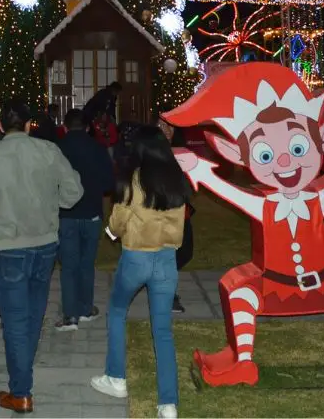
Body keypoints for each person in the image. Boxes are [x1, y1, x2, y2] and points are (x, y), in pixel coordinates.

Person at [0, 99, 83, 414]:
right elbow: (74, 194)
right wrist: (47, 202)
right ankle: (22, 383)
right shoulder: (48, 151)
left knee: (16, 320)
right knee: (32, 317)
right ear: (29, 124)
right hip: (45, 244)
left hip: (9, 246)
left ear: (0, 126)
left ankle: (21, 391)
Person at [90, 126, 189, 419]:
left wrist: (110, 231)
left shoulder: (133, 180)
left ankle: (116, 378)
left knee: (118, 310)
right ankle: (168, 404)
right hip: (167, 258)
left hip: (136, 257)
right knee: (162, 330)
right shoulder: (176, 179)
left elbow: (119, 219)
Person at [56, 108, 115, 331]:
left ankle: (70, 316)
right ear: (88, 127)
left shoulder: (57, 150)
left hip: (66, 214)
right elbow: (110, 183)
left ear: (64, 126)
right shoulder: (98, 149)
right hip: (92, 212)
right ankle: (86, 308)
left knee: (69, 265)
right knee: (86, 263)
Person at [157, 116, 194, 313]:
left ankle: (161, 285)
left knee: (185, 252)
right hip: (161, 213)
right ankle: (167, 295)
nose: (165, 130)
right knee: (168, 255)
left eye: (169, 126)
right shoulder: (152, 152)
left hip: (180, 211)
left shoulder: (183, 153)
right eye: (161, 125)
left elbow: (189, 185)